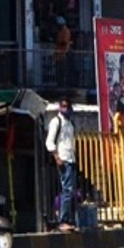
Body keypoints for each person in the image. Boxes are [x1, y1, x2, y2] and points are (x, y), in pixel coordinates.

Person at [46, 96, 78, 232]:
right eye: (63, 106)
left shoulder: (70, 123)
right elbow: (49, 141)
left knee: (71, 191)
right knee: (67, 190)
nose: (65, 109)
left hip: (71, 159)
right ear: (60, 107)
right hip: (63, 159)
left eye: (67, 106)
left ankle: (70, 220)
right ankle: (63, 221)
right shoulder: (56, 121)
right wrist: (56, 157)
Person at [54, 15, 73, 87]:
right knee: (59, 71)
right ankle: (60, 84)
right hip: (59, 54)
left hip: (63, 53)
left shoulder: (65, 31)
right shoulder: (61, 31)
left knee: (63, 71)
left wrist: (58, 41)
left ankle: (63, 85)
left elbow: (64, 41)